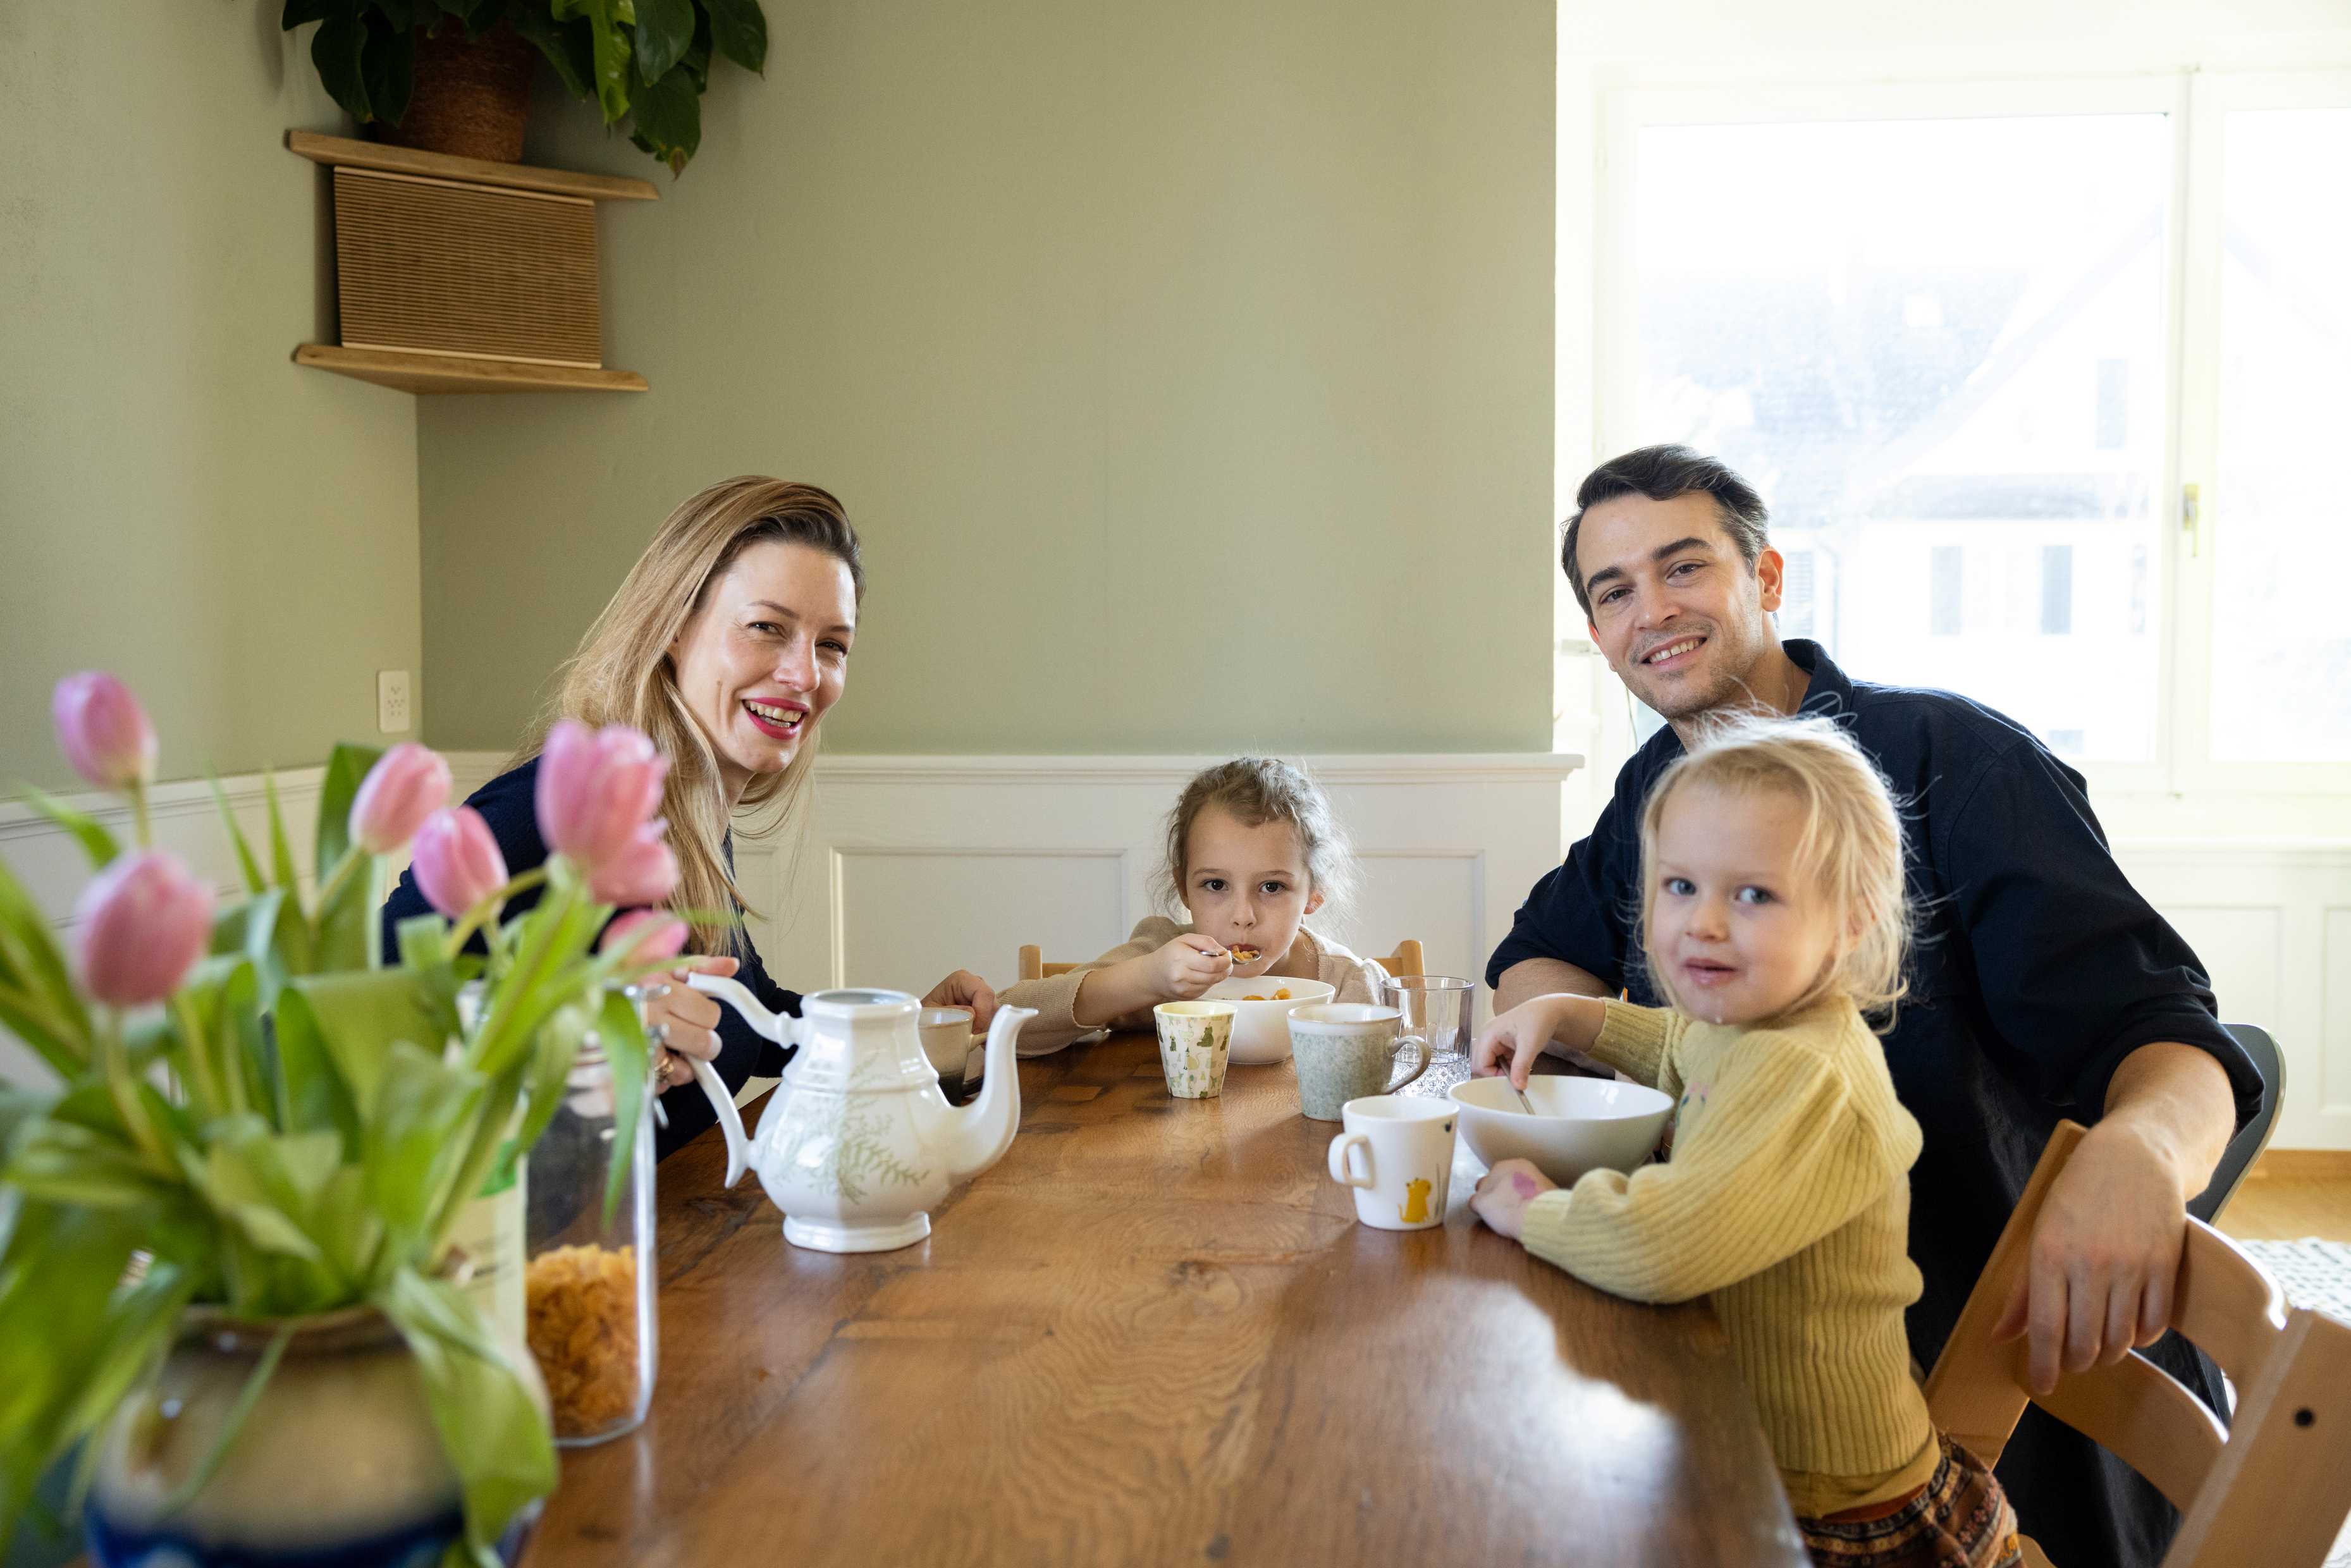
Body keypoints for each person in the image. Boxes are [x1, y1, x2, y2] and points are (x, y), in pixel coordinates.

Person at [1487, 445, 2261, 1566]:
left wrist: (2139, 1153)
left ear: (1763, 579)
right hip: (1728, 1338)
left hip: (1962, 1387)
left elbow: (2164, 1036)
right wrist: (1580, 1056)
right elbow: (1538, 957)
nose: (1649, 609)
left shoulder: (1954, 762)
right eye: (1612, 592)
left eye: (1682, 567)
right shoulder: (1658, 786)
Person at [1471, 715, 2022, 1567]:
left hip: (1830, 1513)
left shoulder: (1801, 1071)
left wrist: (1535, 1208)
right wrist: (1573, 1013)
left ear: (1848, 922)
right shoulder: (1747, 1028)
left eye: (1754, 895)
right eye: (1679, 886)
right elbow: (1676, 1051)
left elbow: (1662, 1244)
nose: (1704, 924)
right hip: (1755, 1457)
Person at [381, 478, 997, 1161]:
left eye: (832, 645)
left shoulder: (689, 814)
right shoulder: (545, 815)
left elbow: (752, 1017)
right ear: (673, 626)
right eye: (767, 627)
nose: (804, 674)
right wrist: (586, 1038)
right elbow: (335, 1042)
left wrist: (903, 1026)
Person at [1000, 757, 1387, 1056]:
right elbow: (1002, 1026)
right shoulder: (1159, 958)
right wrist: (1146, 980)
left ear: (1315, 893)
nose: (1243, 916)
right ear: (1183, 887)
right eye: (1215, 884)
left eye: (1272, 886)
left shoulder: (1345, 985)